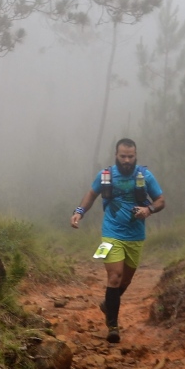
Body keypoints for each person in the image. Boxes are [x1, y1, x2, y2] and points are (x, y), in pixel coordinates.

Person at [70, 138, 165, 343]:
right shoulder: (106, 175)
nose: (127, 160)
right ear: (116, 155)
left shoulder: (145, 176)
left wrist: (148, 209)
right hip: (110, 233)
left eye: (130, 156)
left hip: (136, 235)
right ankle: (113, 326)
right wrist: (79, 212)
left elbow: (161, 200)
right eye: (123, 156)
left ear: (136, 155)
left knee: (126, 280)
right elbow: (91, 194)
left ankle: (108, 304)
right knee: (115, 276)